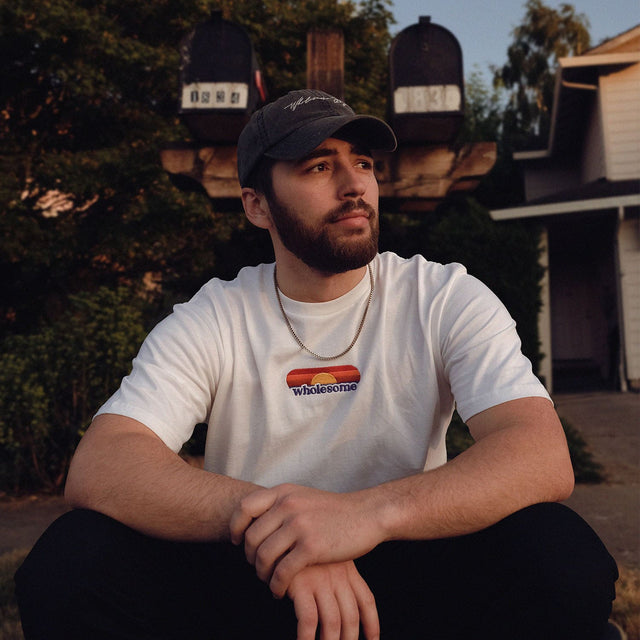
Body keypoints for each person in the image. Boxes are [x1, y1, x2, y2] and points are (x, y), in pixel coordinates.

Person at [15, 89, 618, 640]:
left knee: (561, 557)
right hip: (257, 578)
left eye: (363, 163)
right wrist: (283, 531)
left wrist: (366, 516)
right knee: (72, 562)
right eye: (319, 167)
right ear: (256, 205)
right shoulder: (216, 315)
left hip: (406, 564)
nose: (354, 184)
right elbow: (103, 462)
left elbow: (539, 454)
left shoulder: (442, 296)